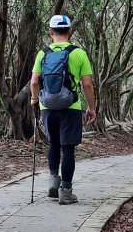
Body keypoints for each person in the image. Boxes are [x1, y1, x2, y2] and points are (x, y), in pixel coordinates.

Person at [30, 14, 97, 205]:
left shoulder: (42, 53)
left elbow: (34, 81)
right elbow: (87, 84)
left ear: (51, 32)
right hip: (71, 106)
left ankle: (53, 181)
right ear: (70, 31)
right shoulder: (79, 53)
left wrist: (35, 99)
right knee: (68, 149)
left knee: (54, 144)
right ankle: (66, 191)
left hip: (47, 106)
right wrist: (91, 107)